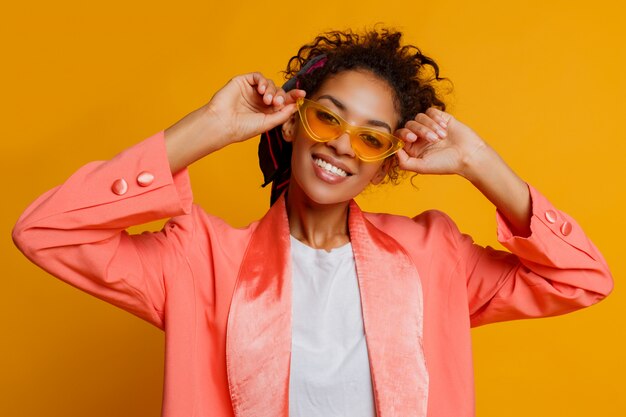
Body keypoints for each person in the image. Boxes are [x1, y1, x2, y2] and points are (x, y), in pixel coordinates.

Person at [12, 28, 613, 417]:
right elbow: (46, 230)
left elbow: (583, 280)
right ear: (294, 123)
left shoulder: (435, 256)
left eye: (370, 138)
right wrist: (210, 127)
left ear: (384, 165)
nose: (342, 147)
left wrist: (480, 163)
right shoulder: (201, 259)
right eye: (329, 119)